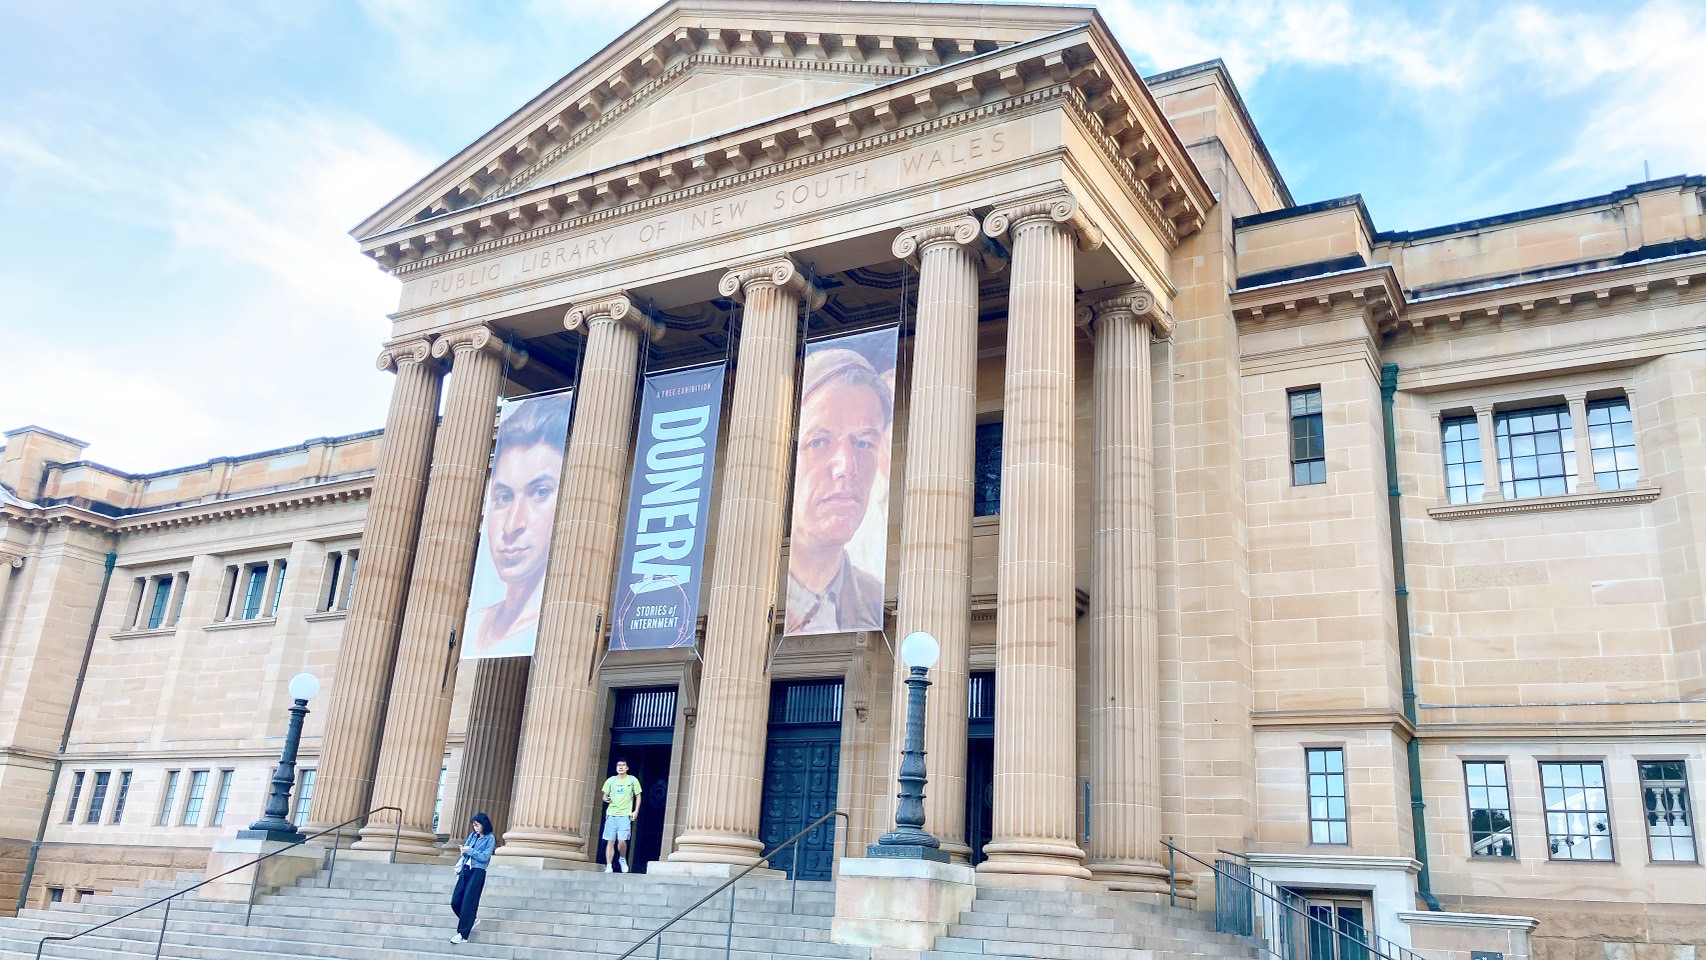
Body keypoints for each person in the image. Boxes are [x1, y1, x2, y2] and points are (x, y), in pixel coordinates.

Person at [785, 347, 892, 634]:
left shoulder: (871, 596)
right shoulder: (746, 589)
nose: (847, 467)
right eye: (819, 442)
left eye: (863, 443)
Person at [464, 394, 572, 658]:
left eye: (540, 492)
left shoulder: (559, 619)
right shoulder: (477, 624)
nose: (512, 525)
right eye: (503, 497)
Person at [449, 812, 495, 944]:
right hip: (465, 869)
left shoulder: (490, 838)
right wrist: (463, 850)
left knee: (469, 901)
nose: (475, 827)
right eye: (474, 825)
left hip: (478, 871)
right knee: (455, 900)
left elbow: (485, 857)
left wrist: (469, 850)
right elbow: (466, 851)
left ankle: (462, 934)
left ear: (483, 825)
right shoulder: (472, 836)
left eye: (477, 825)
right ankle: (471, 919)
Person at [601, 758, 643, 873]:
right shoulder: (611, 781)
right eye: (618, 765)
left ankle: (622, 858)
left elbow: (638, 795)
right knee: (610, 840)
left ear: (627, 768)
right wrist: (606, 799)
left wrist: (636, 811)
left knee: (622, 841)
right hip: (611, 814)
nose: (621, 767)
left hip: (625, 814)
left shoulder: (632, 780)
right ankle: (609, 865)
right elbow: (604, 796)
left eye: (623, 765)